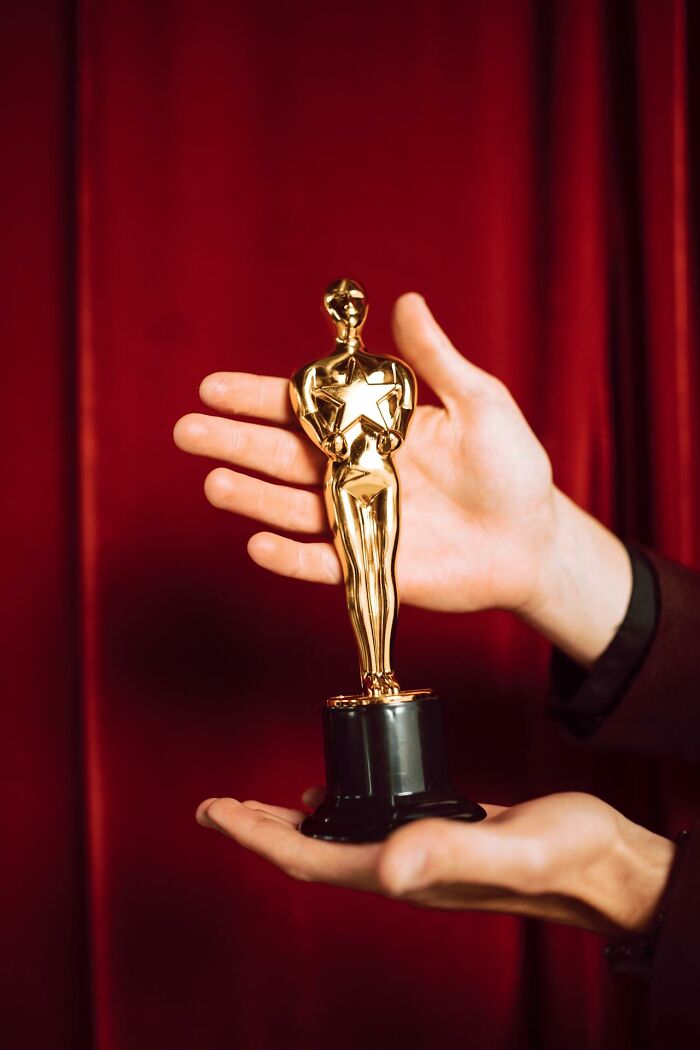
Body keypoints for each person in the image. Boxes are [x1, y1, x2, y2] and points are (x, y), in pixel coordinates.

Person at [173, 293, 699, 1043]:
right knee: (360, 581)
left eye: (356, 304)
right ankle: (374, 672)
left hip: (374, 473)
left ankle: (381, 672)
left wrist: (640, 883)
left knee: (379, 575)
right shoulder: (316, 377)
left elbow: (380, 429)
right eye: (341, 305)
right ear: (329, 312)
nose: (351, 312)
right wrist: (552, 558)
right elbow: (335, 432)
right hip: (349, 472)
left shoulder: (387, 374)